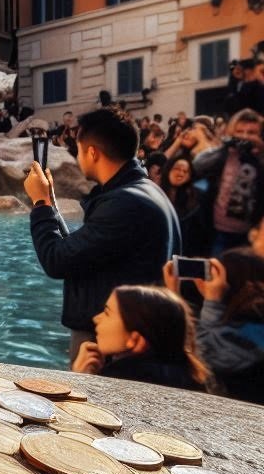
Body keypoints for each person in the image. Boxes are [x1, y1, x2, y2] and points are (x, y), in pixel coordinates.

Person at [25, 105, 182, 360]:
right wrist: (50, 201)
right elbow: (77, 250)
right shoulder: (142, 192)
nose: (77, 157)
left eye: (78, 149)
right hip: (126, 333)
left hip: (111, 343)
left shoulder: (125, 204)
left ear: (93, 152)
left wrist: (40, 204)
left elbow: (57, 260)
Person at [165, 251, 264, 403]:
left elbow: (203, 357)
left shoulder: (255, 326)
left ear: (231, 284)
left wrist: (213, 302)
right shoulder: (231, 319)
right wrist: (174, 296)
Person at [72, 286, 214, 391]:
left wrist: (80, 381)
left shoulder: (122, 379)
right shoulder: (190, 378)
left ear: (136, 340)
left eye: (107, 313)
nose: (96, 318)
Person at [193, 108, 264, 255]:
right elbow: (198, 163)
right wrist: (225, 148)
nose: (245, 136)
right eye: (240, 131)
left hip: (250, 233)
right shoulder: (226, 154)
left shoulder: (260, 158)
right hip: (219, 230)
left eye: (251, 133)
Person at [162, 156, 209, 256]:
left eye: (185, 171)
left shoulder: (195, 200)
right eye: (177, 168)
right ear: (168, 169)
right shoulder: (154, 191)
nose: (181, 173)